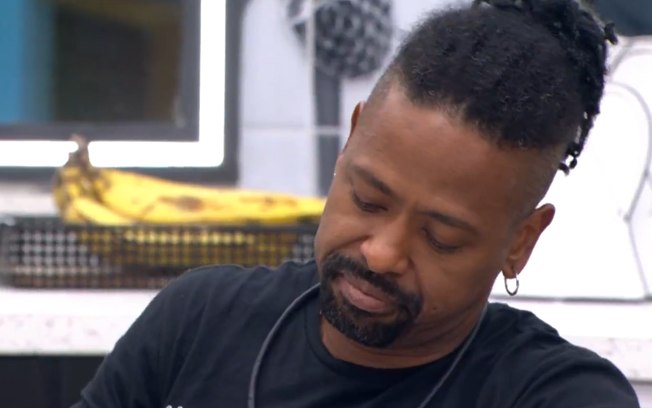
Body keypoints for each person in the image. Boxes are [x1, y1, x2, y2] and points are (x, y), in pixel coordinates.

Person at [73, 0, 641, 406]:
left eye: (440, 238)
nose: (383, 253)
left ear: (520, 242)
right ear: (350, 141)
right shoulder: (198, 325)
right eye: (369, 200)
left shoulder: (554, 395)